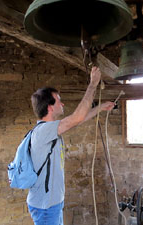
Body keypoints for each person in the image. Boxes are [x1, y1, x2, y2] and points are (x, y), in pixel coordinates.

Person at [27, 66, 115, 225]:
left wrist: (100, 108)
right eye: (59, 100)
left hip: (51, 204)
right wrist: (92, 84)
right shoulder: (43, 131)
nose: (63, 103)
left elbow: (77, 121)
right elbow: (76, 117)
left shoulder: (51, 129)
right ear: (50, 107)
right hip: (45, 207)